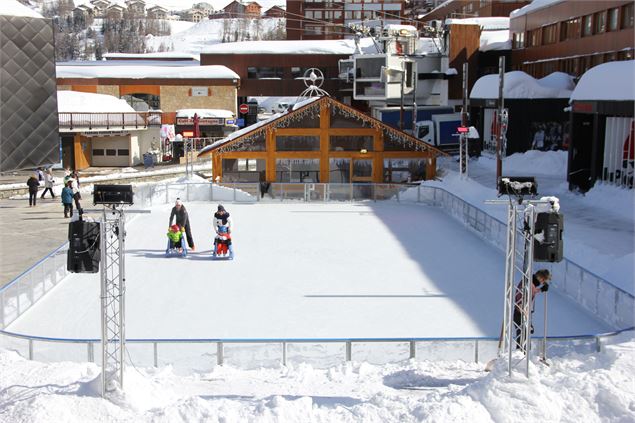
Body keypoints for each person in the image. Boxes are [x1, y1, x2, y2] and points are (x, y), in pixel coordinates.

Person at [513, 269, 550, 350]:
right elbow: (520, 294)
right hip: (520, 313)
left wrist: (541, 289)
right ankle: (520, 353)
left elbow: (532, 291)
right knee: (523, 335)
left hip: (524, 313)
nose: (542, 281)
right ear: (540, 277)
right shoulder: (528, 283)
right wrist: (521, 308)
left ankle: (523, 353)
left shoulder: (531, 283)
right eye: (543, 280)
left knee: (525, 334)